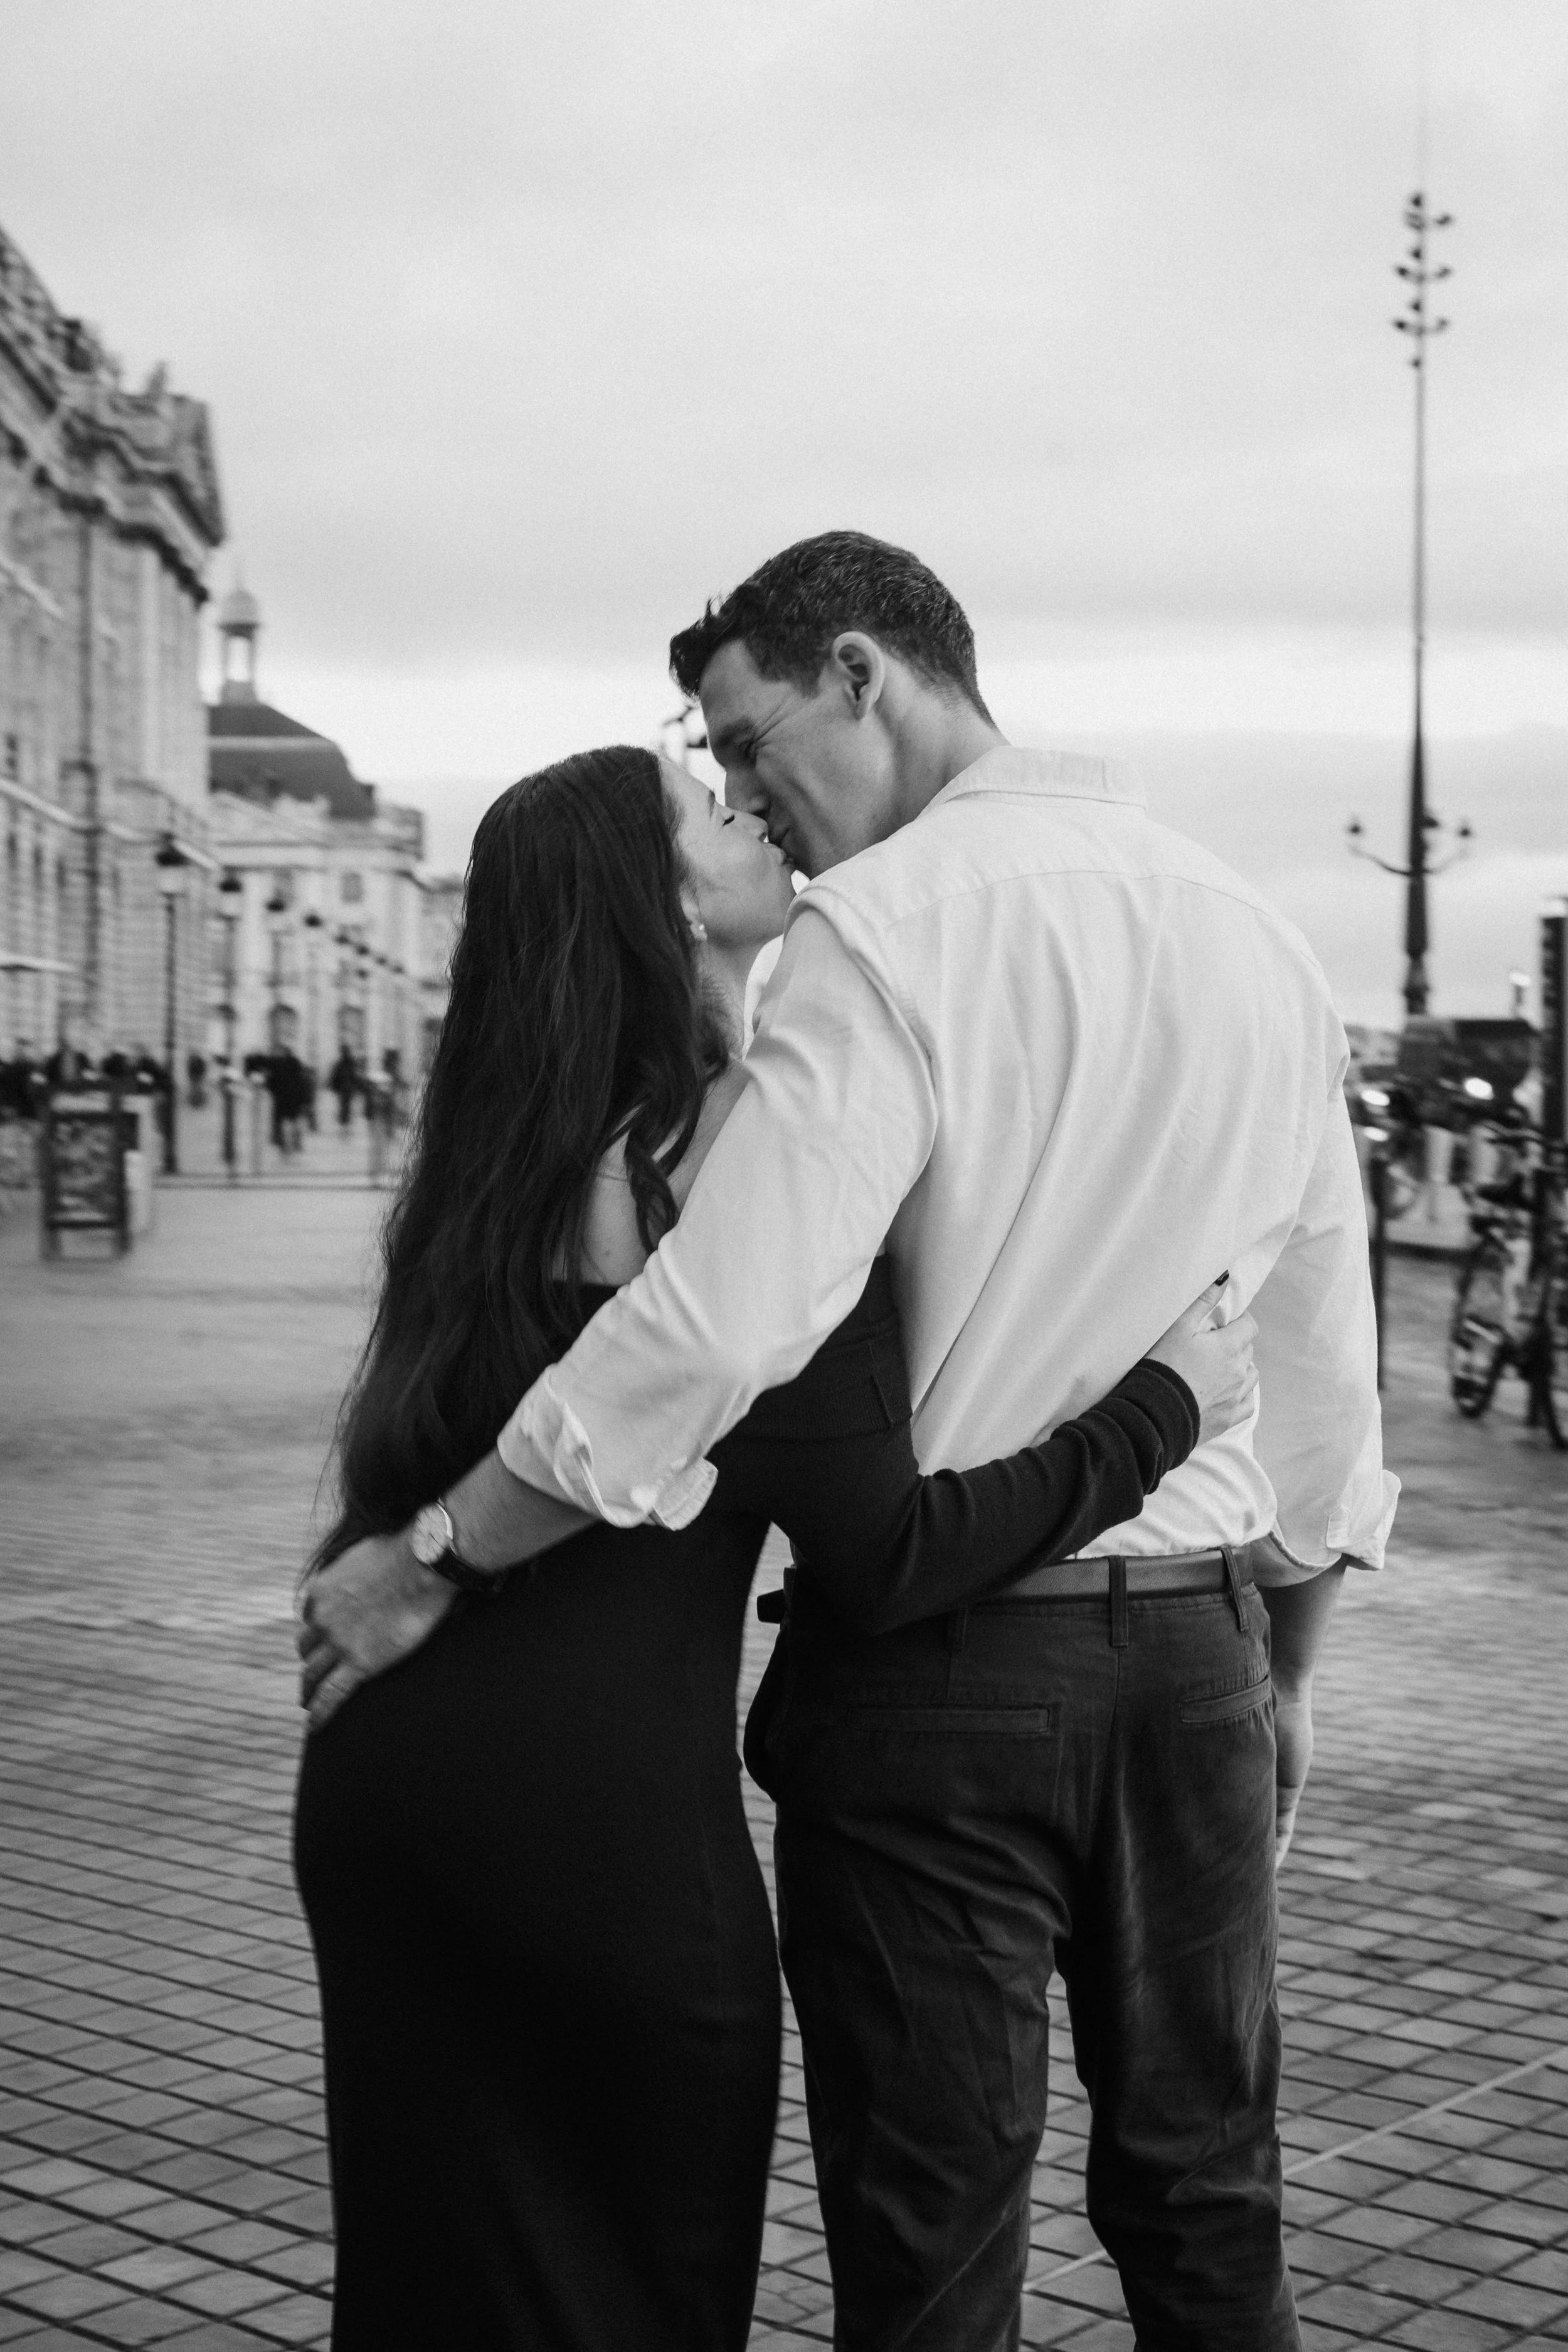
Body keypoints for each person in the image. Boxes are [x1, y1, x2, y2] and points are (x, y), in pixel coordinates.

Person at [306, 532, 1396, 2349]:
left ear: (860, 678)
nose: (748, 794)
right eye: (712, 778)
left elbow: (724, 1318)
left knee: (934, 2241)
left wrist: (436, 1548)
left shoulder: (878, 936)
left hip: (940, 1673)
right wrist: (1284, 1661)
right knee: (1212, 2203)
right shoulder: (1250, 928)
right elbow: (1316, 1342)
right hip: (1195, 1647)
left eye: (743, 743)